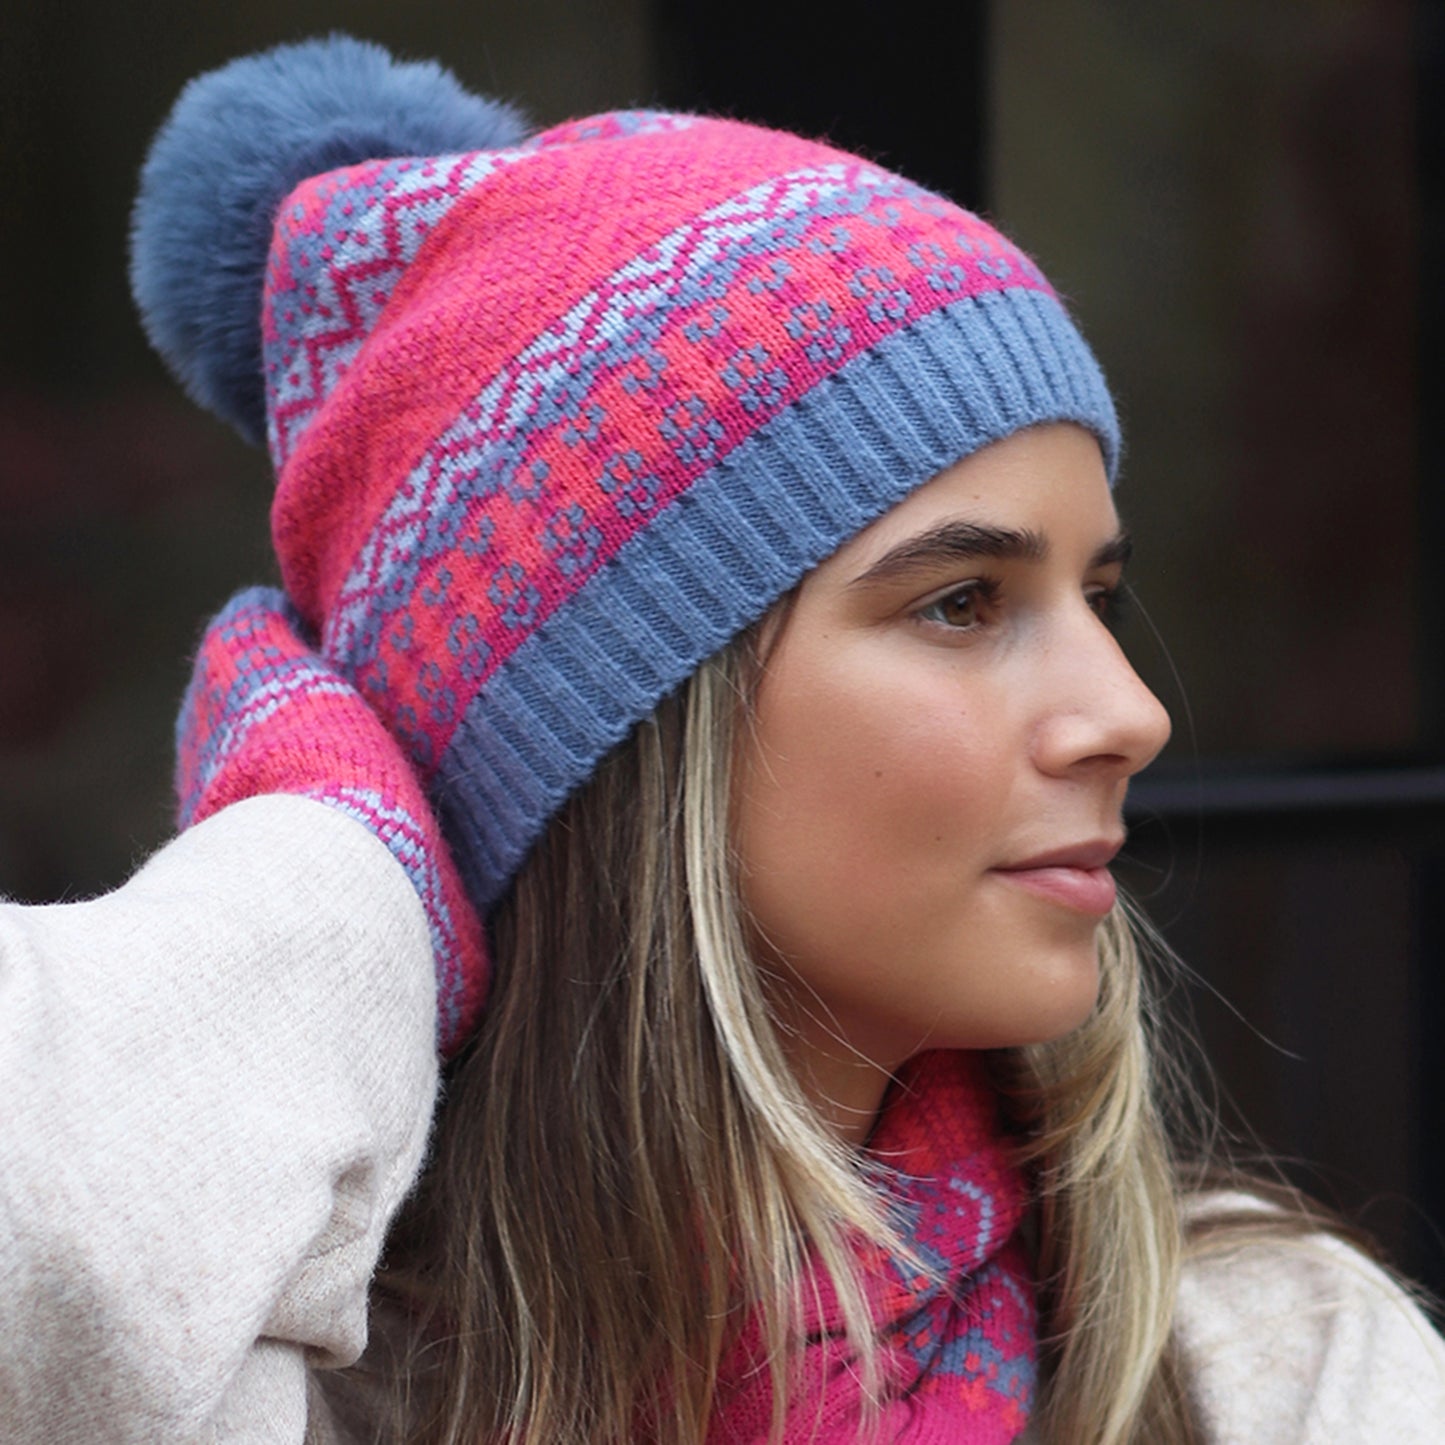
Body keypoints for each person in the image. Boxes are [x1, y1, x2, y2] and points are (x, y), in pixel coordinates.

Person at [2, 33, 1442, 1445]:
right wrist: (339, 878)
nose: (1130, 713)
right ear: (632, 728)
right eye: (960, 602)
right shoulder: (308, 1389)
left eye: (1097, 596)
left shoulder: (1266, 1365)